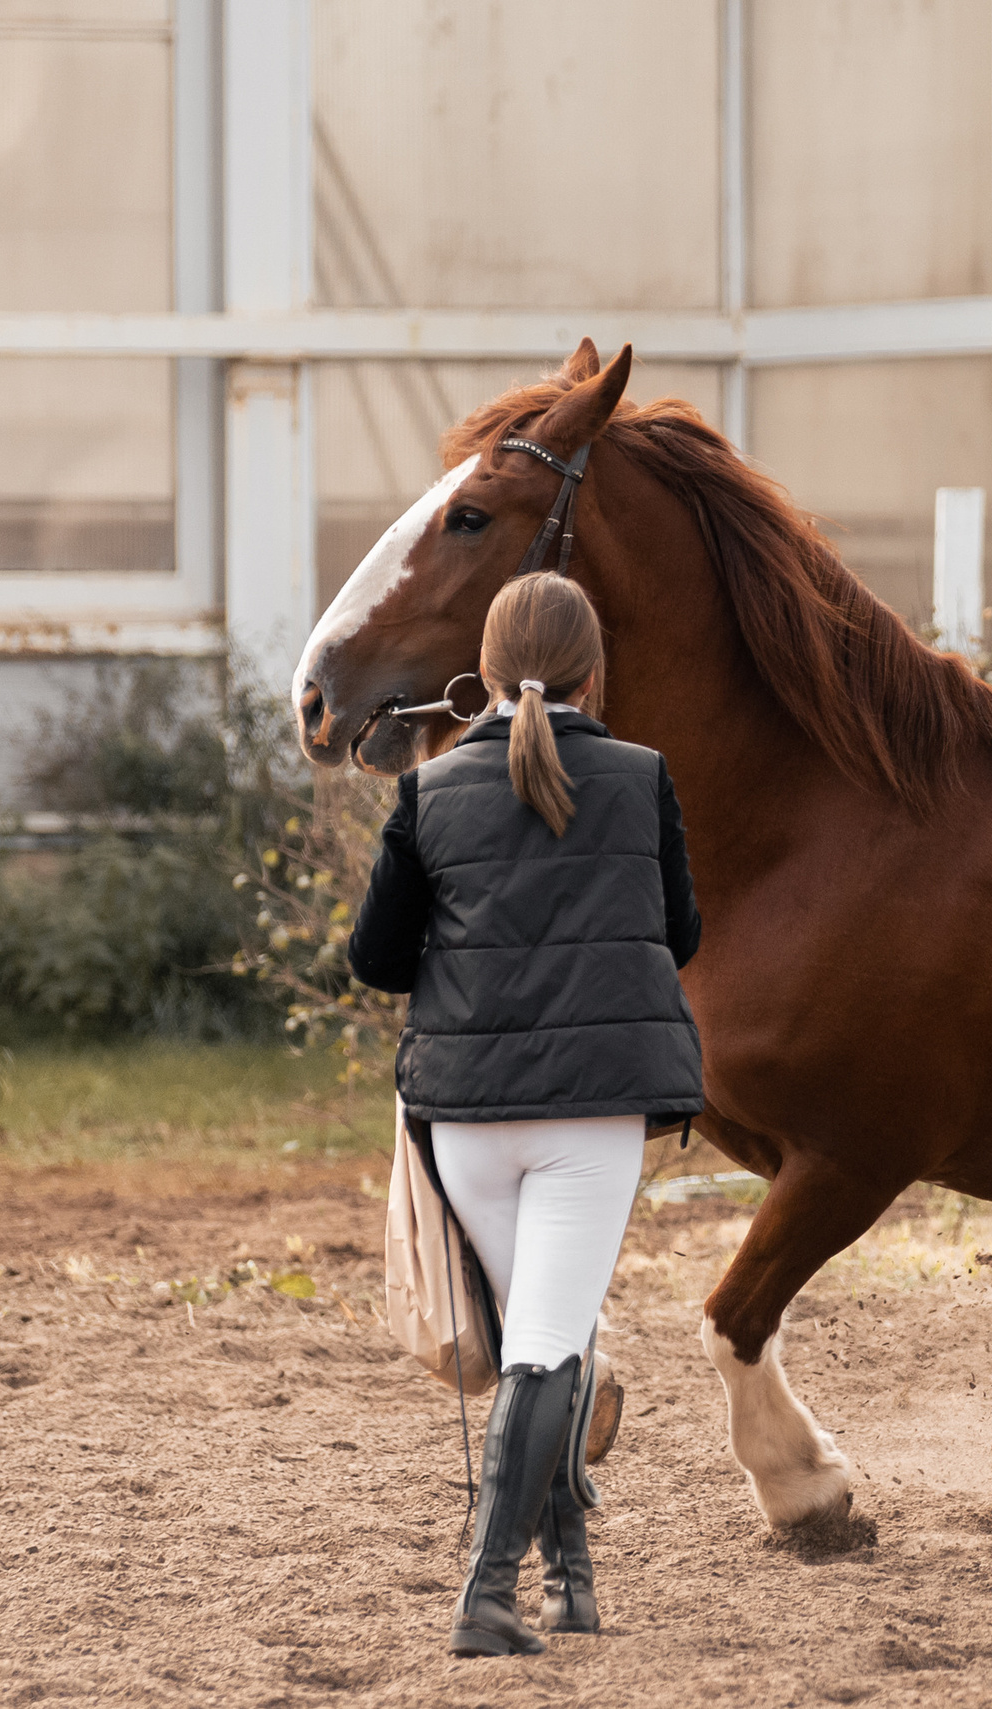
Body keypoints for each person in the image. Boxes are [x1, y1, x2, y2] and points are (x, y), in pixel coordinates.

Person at [346, 572, 703, 1657]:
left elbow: (375, 958)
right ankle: (488, 1593)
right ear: (597, 673)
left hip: (467, 1120)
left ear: (484, 672)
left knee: (536, 1342)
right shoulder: (641, 779)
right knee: (547, 1343)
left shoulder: (428, 788)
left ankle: (574, 1577)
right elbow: (677, 934)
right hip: (588, 1114)